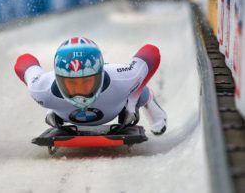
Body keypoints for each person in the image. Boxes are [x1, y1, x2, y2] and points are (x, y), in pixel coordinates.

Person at [14, 37, 167, 135]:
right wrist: (51, 107)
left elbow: (152, 52)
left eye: (86, 82)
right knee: (131, 85)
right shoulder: (41, 89)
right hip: (68, 112)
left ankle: (147, 99)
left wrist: (132, 104)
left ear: (99, 75)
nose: (79, 91)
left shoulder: (124, 78)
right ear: (58, 79)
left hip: (119, 102)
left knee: (136, 89)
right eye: (71, 84)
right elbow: (24, 61)